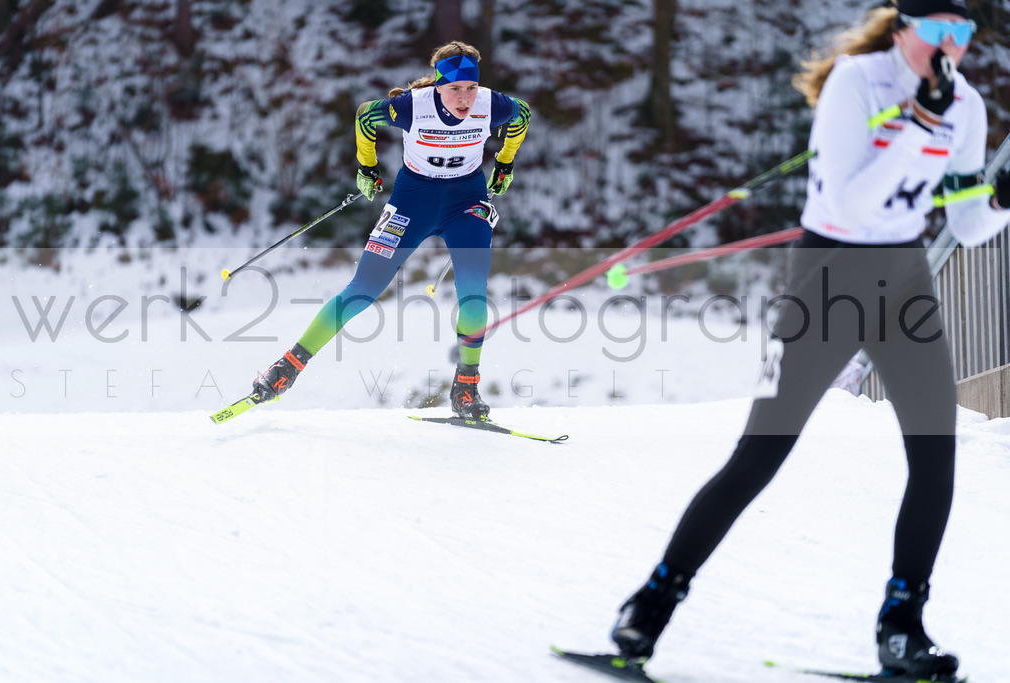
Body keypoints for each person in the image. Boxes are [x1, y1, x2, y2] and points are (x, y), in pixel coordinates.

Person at [608, 1, 1009, 680]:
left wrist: (999, 202)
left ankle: (902, 626)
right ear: (904, 28)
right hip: (829, 274)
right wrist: (918, 125)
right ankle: (651, 604)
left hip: (904, 277)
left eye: (964, 34)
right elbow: (850, 206)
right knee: (759, 455)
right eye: (940, 32)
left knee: (936, 456)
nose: (953, 48)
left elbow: (966, 224)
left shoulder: (964, 103)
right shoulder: (858, 83)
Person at [249, 41, 531, 418]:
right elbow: (365, 116)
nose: (464, 99)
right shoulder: (413, 106)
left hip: (467, 202)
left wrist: (505, 162)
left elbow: (522, 114)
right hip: (413, 202)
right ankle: (287, 367)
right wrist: (367, 167)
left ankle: (466, 385)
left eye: (471, 89)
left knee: (474, 293)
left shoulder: (491, 104)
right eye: (454, 89)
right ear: (437, 87)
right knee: (363, 290)